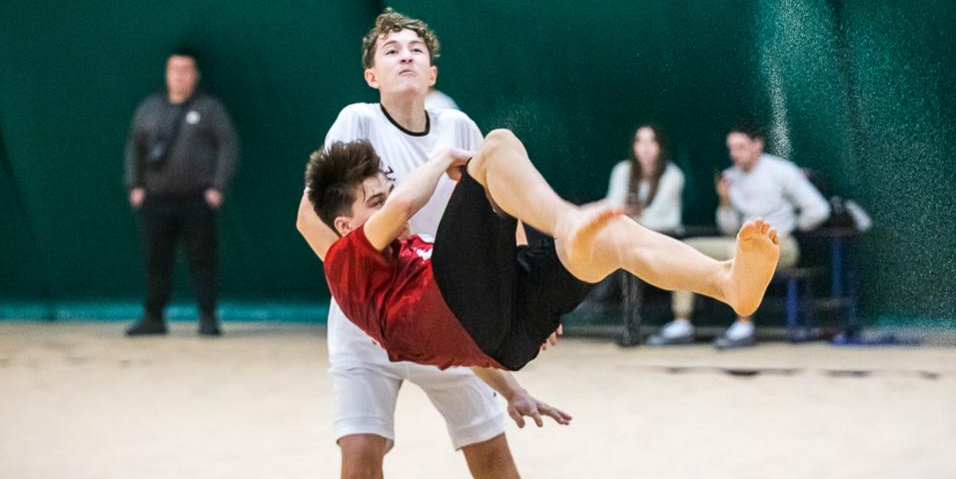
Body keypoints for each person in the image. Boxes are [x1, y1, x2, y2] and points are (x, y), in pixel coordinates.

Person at [293, 8, 559, 479]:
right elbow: (310, 217)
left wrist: (519, 298)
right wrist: (361, 293)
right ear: (371, 75)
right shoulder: (357, 122)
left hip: (445, 317)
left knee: (492, 457)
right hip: (366, 324)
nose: (405, 55)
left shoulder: (458, 127)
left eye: (416, 48)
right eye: (390, 50)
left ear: (433, 72)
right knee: (360, 465)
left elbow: (503, 211)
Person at [300, 130, 781, 372]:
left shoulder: (409, 257)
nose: (390, 207)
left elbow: (451, 348)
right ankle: (567, 220)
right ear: (344, 226)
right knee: (496, 145)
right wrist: (444, 157)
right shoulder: (343, 262)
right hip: (459, 309)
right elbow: (406, 202)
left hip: (504, 342)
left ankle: (725, 282)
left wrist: (510, 385)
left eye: (385, 196)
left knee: (611, 238)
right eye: (375, 203)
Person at [650, 123, 830, 349]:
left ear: (757, 145)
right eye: (731, 148)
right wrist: (725, 201)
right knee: (686, 248)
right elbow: (728, 229)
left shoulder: (782, 171)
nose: (734, 153)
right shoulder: (731, 177)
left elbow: (819, 210)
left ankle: (744, 325)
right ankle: (682, 322)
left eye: (741, 147)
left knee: (739, 251)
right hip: (742, 242)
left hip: (781, 244)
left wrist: (791, 227)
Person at [124, 49, 238, 337]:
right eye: (174, 69)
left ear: (196, 75)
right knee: (156, 259)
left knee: (202, 259)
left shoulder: (210, 109)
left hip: (197, 199)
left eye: (186, 70)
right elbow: (134, 148)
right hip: (155, 198)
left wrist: (218, 186)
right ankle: (153, 317)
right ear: (166, 73)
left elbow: (228, 147)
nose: (179, 76)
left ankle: (208, 317)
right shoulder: (149, 109)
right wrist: (135, 185)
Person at [605, 124, 685, 234]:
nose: (645, 148)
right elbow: (612, 206)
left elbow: (664, 220)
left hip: (664, 235)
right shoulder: (622, 170)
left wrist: (630, 216)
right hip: (628, 233)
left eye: (652, 141)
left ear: (661, 146)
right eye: (639, 141)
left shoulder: (673, 175)